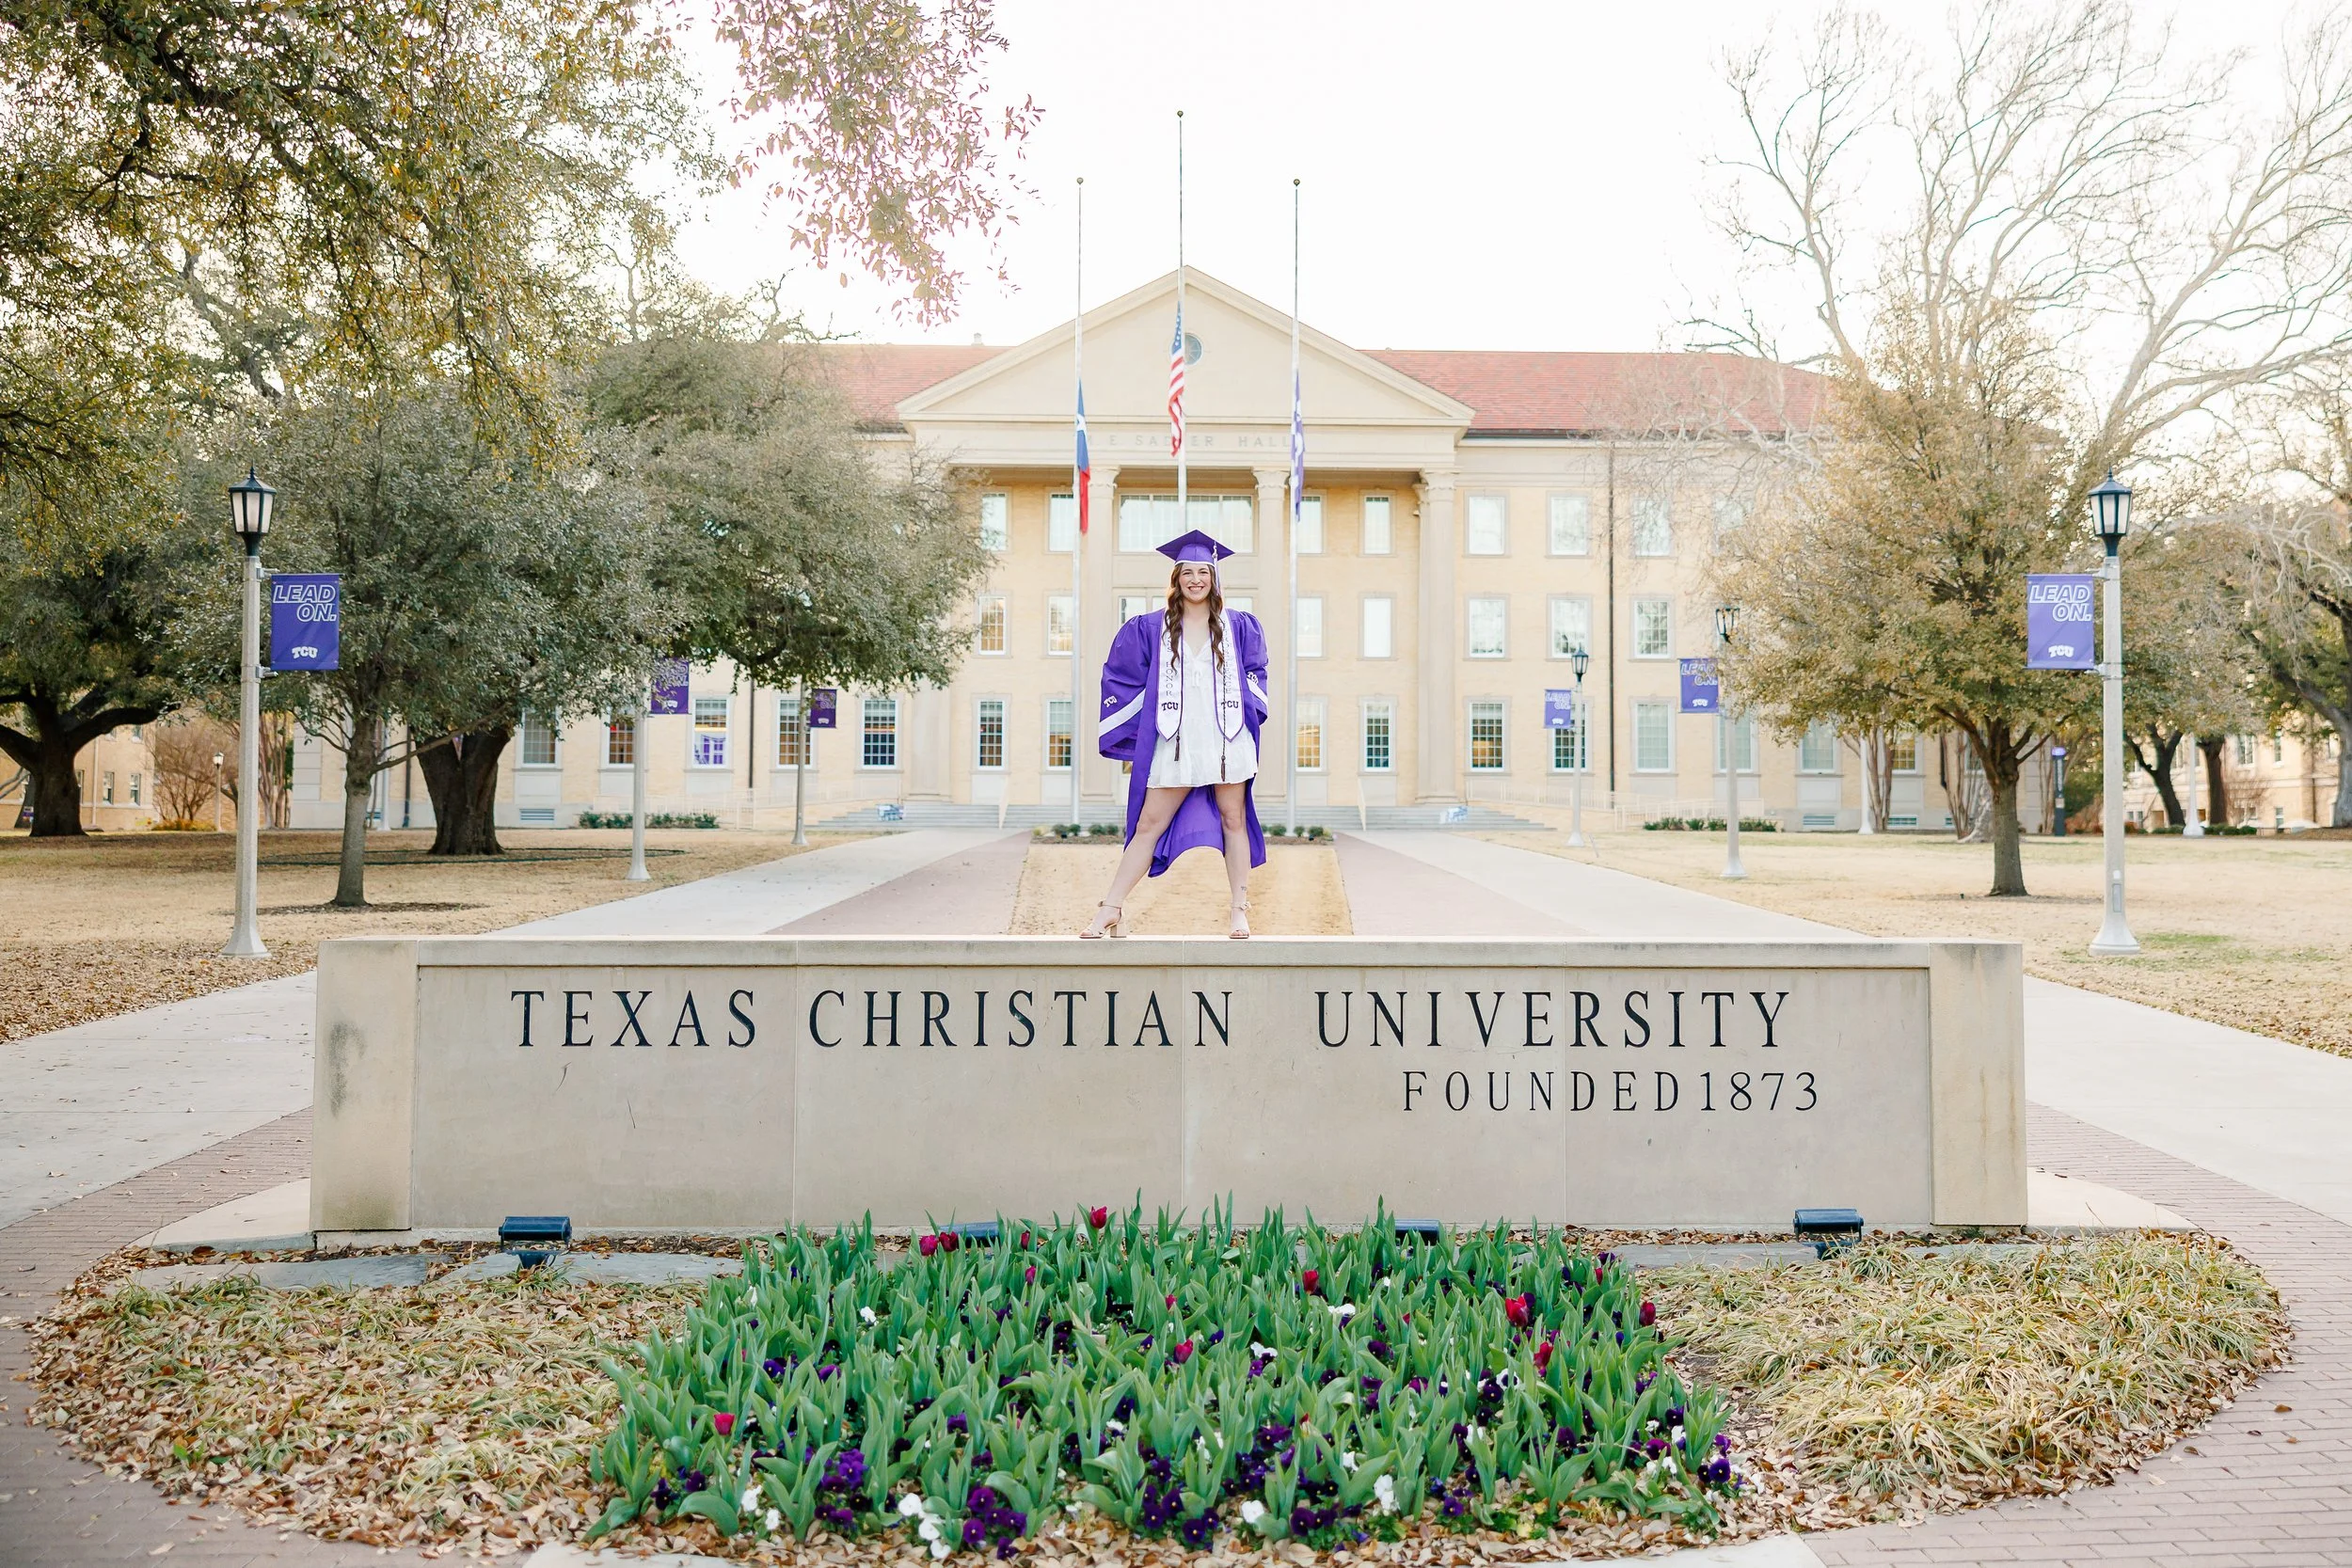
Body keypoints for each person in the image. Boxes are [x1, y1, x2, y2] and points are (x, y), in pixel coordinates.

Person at [1082, 530, 1268, 939]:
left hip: (1226, 737)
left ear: (1214, 578)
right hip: (1176, 739)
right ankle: (1111, 908)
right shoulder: (1152, 627)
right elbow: (1122, 676)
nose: (1195, 580)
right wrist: (1137, 730)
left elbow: (1256, 672)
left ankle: (1239, 910)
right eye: (1188, 572)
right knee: (1149, 823)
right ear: (1177, 578)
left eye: (1204, 572)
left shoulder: (1238, 626)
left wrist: (1247, 710)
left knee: (1233, 818)